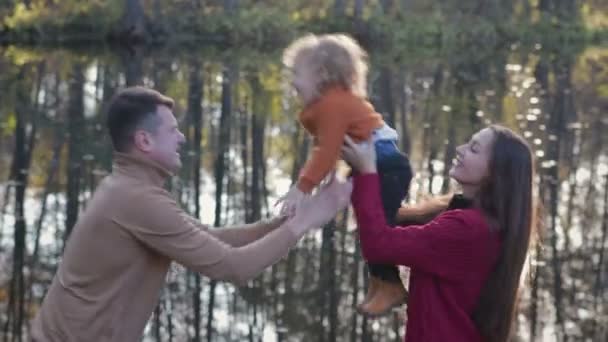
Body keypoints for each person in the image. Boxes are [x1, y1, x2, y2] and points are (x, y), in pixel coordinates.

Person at [30, 87, 352, 342]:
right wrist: (303, 223)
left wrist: (287, 220)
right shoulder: (137, 198)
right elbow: (233, 267)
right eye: (173, 130)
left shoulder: (133, 189)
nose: (182, 137)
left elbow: (213, 239)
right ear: (144, 141)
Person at [340, 125, 538, 341]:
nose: (460, 149)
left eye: (473, 149)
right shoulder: (473, 221)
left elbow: (379, 244)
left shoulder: (468, 229)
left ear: (495, 172)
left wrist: (367, 171)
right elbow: (388, 230)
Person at [278, 33, 413, 315]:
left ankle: (389, 285)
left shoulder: (333, 104)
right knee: (367, 229)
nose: (292, 81)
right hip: (377, 166)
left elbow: (327, 150)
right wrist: (331, 177)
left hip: (387, 169)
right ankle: (381, 282)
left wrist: (301, 187)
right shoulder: (330, 103)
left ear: (322, 74)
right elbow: (336, 145)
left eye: (297, 73)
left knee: (375, 231)